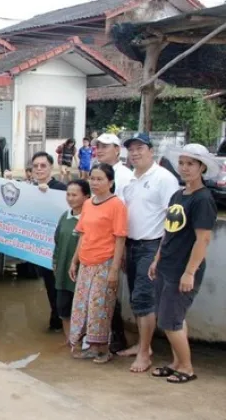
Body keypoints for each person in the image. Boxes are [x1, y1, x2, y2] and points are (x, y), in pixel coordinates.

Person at [149, 144, 218, 384]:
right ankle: (176, 362)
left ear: (202, 168)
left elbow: (203, 239)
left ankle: (187, 368)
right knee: (172, 319)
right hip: (166, 266)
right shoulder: (178, 195)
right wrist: (157, 259)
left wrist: (189, 272)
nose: (185, 168)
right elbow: (168, 232)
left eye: (191, 164)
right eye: (182, 163)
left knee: (170, 320)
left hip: (183, 270)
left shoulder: (203, 200)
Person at [119, 132, 180, 373]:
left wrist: (159, 255)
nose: (135, 153)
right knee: (137, 298)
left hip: (152, 246)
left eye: (139, 148)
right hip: (132, 245)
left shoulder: (163, 178)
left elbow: (173, 220)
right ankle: (142, 346)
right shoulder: (131, 180)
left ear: (151, 151)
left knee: (144, 299)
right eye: (131, 149)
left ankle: (144, 353)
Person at [69, 163, 127, 364]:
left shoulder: (117, 205)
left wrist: (114, 269)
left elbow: (120, 238)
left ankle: (103, 349)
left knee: (99, 308)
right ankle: (92, 348)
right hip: (86, 262)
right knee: (83, 306)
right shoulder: (88, 204)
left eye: (99, 179)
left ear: (110, 182)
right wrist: (74, 261)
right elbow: (83, 234)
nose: (94, 182)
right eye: (92, 178)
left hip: (105, 262)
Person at [91, 133, 134, 352]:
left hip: (115, 243)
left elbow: (124, 212)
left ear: (117, 149)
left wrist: (122, 249)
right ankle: (105, 336)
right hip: (97, 243)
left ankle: (117, 336)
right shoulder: (96, 172)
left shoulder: (125, 175)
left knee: (112, 291)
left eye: (105, 146)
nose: (100, 150)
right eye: (98, 146)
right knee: (103, 294)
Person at [30, 151, 66, 332]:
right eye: (35, 166)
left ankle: (62, 322)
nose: (39, 169)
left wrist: (48, 193)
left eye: (43, 165)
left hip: (60, 249)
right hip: (41, 248)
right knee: (49, 286)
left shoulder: (61, 188)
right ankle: (57, 321)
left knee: (61, 286)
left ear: (51, 167)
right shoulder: (28, 189)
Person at [53, 179, 90, 344]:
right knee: (63, 308)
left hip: (81, 273)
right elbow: (57, 242)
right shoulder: (64, 216)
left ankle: (83, 341)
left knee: (82, 309)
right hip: (62, 272)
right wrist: (55, 262)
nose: (70, 198)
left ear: (86, 197)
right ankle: (70, 341)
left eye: (75, 195)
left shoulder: (89, 220)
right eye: (68, 194)